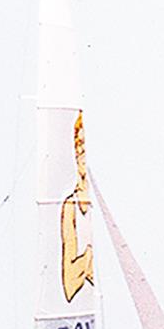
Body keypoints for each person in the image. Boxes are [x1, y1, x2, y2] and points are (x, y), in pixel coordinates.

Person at [60, 111, 94, 302]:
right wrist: (89, 256)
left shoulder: (96, 207)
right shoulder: (70, 207)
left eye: (84, 146)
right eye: (78, 146)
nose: (81, 153)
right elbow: (70, 283)